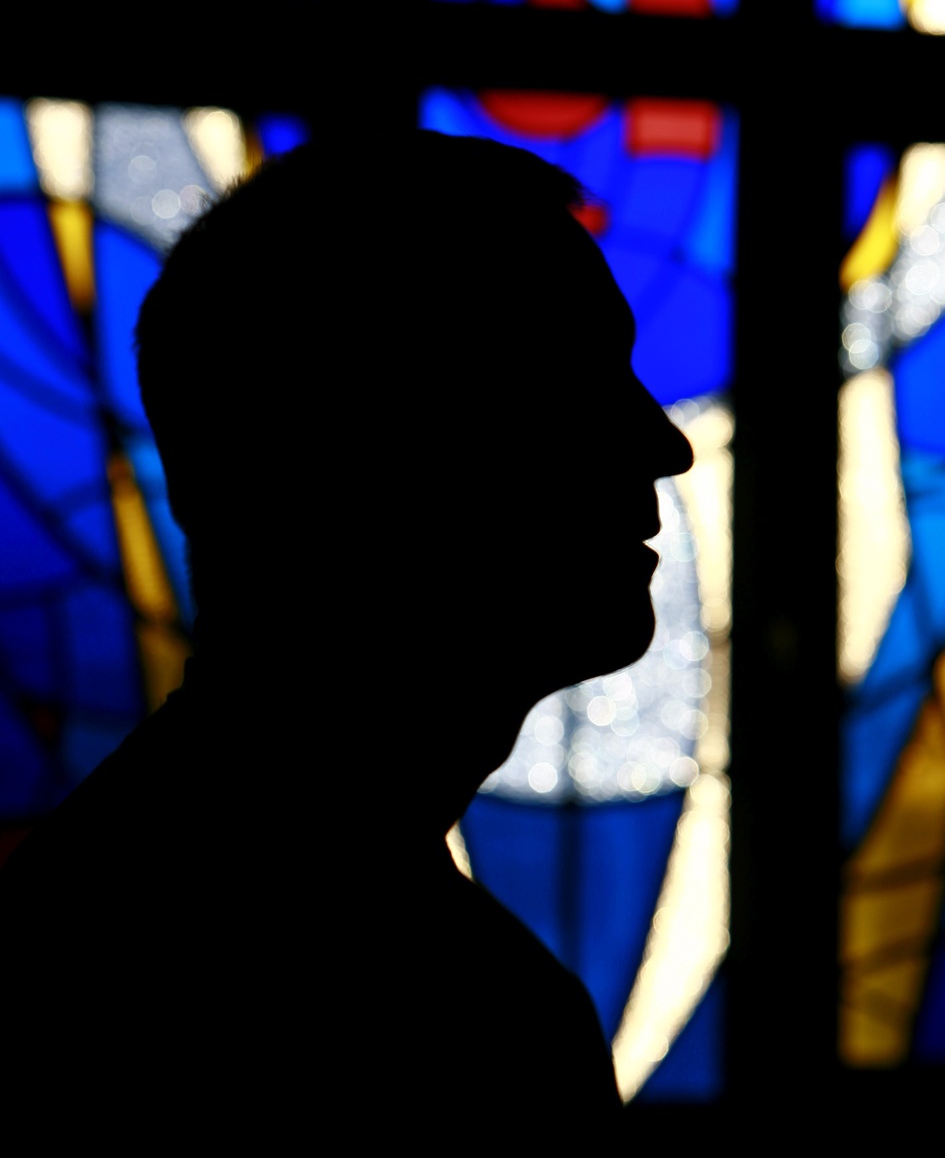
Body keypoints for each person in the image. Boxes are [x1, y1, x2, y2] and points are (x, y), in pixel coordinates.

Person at [0, 133, 692, 1135]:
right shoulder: (164, 977)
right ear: (374, 450)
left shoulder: (461, 983)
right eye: (572, 379)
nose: (658, 442)